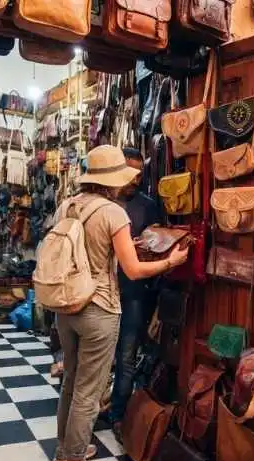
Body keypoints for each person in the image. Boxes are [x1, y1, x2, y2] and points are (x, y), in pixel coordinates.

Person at [53, 145, 188, 461]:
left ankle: (64, 451)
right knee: (88, 390)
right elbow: (133, 268)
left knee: (71, 379)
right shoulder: (114, 213)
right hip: (99, 306)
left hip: (66, 306)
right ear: (114, 180)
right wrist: (171, 262)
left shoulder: (68, 204)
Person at [110, 148, 161, 441]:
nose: (135, 178)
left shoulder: (147, 205)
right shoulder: (105, 203)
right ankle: (88, 412)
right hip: (103, 290)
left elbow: (156, 241)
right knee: (97, 356)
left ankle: (119, 414)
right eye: (130, 171)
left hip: (134, 291)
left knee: (127, 356)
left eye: (139, 172)